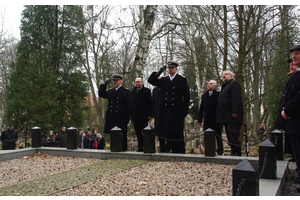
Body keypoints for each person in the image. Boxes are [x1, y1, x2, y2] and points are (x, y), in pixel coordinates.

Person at [148, 60, 190, 154]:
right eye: (169, 68)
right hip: (165, 110)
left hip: (176, 110)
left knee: (176, 132)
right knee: (166, 131)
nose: (170, 70)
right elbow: (151, 80)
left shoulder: (182, 80)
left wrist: (185, 110)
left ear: (176, 69)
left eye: (172, 68)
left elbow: (186, 96)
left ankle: (179, 151)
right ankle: (167, 149)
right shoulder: (164, 79)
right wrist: (159, 72)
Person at [281, 44, 300, 192]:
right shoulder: (297, 74)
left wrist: (287, 109)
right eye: (293, 54)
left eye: (297, 53)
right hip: (293, 119)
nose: (294, 56)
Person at [99, 74, 132, 151]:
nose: (114, 82)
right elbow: (102, 94)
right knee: (113, 134)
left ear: (121, 82)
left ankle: (123, 149)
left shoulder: (125, 91)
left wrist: (127, 118)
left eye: (116, 81)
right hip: (111, 116)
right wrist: (103, 85)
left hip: (121, 117)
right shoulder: (111, 91)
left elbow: (129, 106)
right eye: (114, 81)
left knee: (122, 135)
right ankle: (113, 148)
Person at [216, 70, 243, 156]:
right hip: (226, 116)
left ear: (231, 76)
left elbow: (236, 98)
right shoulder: (225, 86)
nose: (224, 76)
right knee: (229, 135)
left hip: (232, 116)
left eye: (226, 74)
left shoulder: (234, 84)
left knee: (233, 135)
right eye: (223, 75)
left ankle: (237, 153)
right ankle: (234, 152)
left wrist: (235, 111)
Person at [274, 58, 297, 161]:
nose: (290, 67)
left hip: (293, 114)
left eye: (293, 65)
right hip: (287, 113)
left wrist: (287, 109)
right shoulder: (291, 80)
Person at [198, 80, 223, 155]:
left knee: (218, 135)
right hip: (207, 119)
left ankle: (220, 150)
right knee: (207, 135)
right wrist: (200, 119)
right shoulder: (204, 96)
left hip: (216, 119)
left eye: (211, 84)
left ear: (215, 86)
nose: (209, 85)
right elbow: (201, 108)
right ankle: (209, 150)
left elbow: (221, 107)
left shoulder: (219, 95)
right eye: (208, 84)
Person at [130, 77, 152, 152]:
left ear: (142, 82)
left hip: (144, 115)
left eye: (138, 82)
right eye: (136, 82)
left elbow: (149, 103)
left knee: (145, 132)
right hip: (135, 116)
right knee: (138, 132)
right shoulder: (132, 91)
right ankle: (140, 146)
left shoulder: (147, 91)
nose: (137, 83)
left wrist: (149, 114)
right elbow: (131, 104)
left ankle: (146, 146)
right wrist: (130, 114)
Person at [152, 86, 166, 152]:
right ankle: (162, 147)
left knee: (166, 131)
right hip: (157, 113)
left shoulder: (165, 88)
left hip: (165, 113)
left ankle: (168, 147)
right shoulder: (154, 90)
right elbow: (153, 102)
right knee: (159, 131)